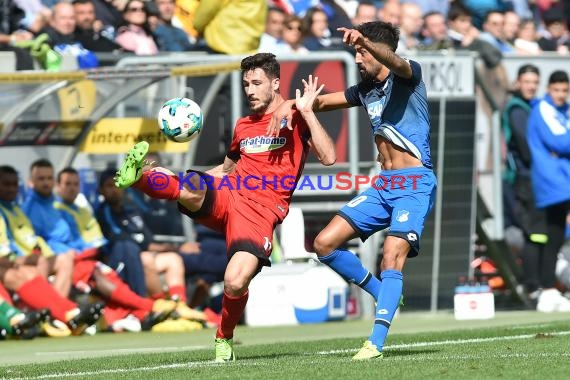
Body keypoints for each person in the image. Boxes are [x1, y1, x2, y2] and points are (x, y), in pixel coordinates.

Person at [113, 52, 336, 361]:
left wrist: (308, 112)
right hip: (230, 193)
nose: (250, 90)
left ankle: (223, 337)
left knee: (234, 281)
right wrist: (183, 180)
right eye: (246, 84)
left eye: (256, 83)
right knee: (189, 187)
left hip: (261, 211)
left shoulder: (296, 117)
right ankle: (138, 178)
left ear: (275, 83)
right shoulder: (243, 125)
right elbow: (227, 169)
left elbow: (329, 157)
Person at [268, 21, 436, 360]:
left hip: (414, 185)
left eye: (361, 52)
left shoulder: (408, 77)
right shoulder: (365, 91)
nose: (358, 59)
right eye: (356, 52)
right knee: (323, 243)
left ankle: (375, 342)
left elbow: (397, 62)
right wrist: (290, 105)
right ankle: (383, 292)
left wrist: (367, 43)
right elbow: (323, 103)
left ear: (379, 50)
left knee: (391, 255)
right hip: (383, 185)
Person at [501, 64, 551, 309]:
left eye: (535, 82)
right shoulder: (517, 109)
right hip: (526, 180)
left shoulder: (534, 107)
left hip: (540, 180)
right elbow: (528, 148)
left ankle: (543, 285)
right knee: (534, 234)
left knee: (543, 234)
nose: (531, 86)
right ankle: (533, 288)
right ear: (518, 82)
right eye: (527, 81)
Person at [527, 70, 570, 312]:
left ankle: (550, 290)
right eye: (557, 90)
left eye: (565, 91)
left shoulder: (561, 111)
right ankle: (547, 290)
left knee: (555, 237)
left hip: (561, 181)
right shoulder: (543, 109)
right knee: (552, 237)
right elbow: (561, 142)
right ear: (548, 90)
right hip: (555, 183)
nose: (561, 95)